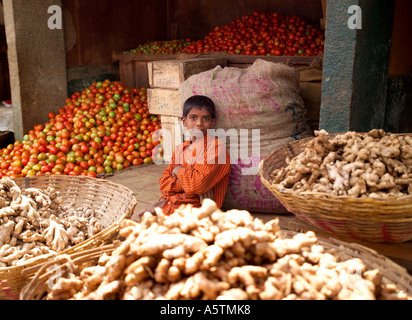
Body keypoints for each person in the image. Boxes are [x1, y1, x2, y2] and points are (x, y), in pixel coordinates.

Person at [131, 95, 231, 220]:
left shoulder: (215, 148)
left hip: (197, 211)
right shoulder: (180, 149)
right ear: (184, 121)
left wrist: (178, 171)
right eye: (193, 118)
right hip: (170, 204)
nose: (199, 123)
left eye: (205, 118)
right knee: (134, 220)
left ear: (212, 122)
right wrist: (187, 181)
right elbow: (163, 184)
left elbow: (198, 185)